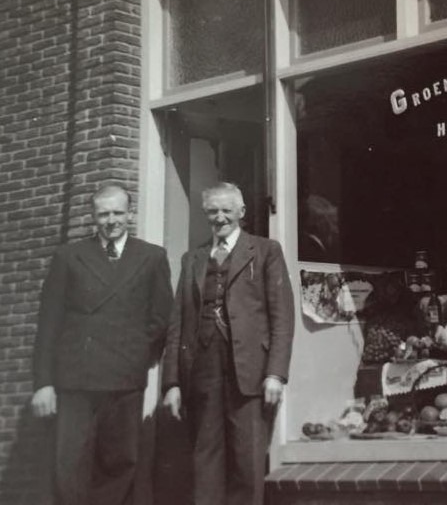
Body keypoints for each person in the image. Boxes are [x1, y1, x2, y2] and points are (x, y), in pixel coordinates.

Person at [30, 184, 173, 505]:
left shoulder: (152, 257)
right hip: (75, 379)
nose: (111, 221)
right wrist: (43, 383)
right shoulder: (69, 256)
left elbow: (161, 319)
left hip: (124, 379)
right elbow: (49, 323)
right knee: (70, 464)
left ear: (130, 213)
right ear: (93, 217)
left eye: (118, 213)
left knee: (120, 462)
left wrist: (137, 356)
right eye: (104, 214)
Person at [162, 182, 295, 505]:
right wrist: (172, 382)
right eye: (212, 211)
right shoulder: (192, 259)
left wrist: (275, 373)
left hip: (249, 371)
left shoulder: (265, 251)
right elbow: (178, 323)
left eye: (226, 210)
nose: (220, 217)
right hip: (202, 370)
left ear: (241, 212)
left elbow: (282, 317)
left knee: (247, 459)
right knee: (204, 458)